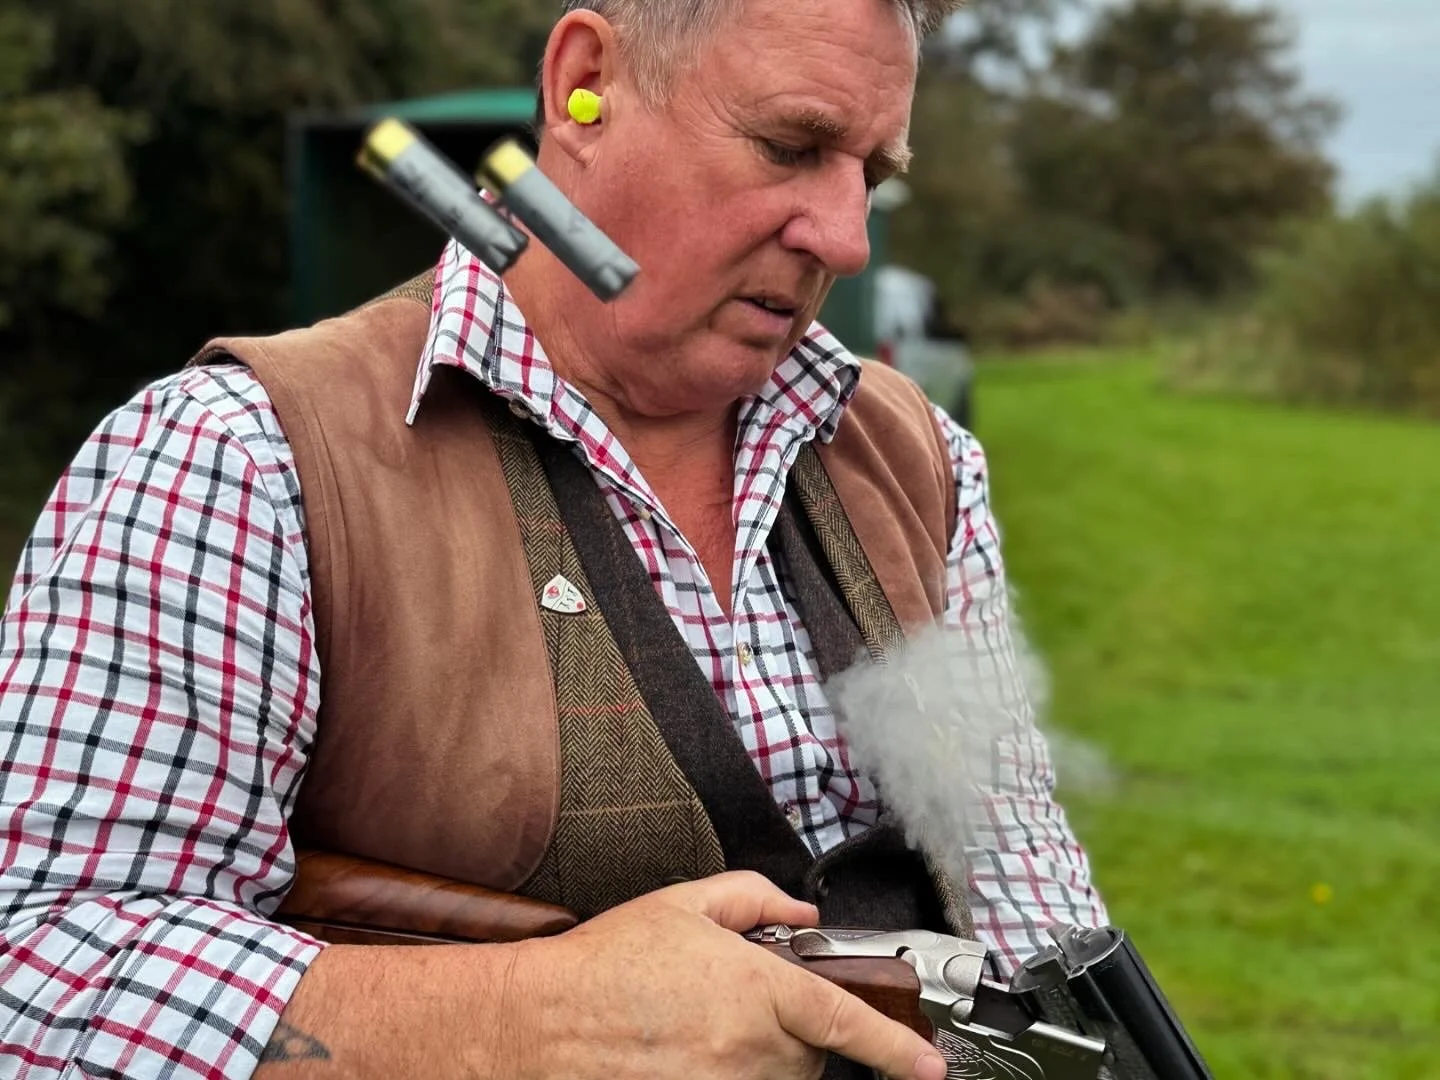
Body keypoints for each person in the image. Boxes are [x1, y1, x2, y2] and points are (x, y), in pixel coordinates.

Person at [0, 0, 1109, 1077]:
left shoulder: (918, 457)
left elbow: (1025, 895)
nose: (846, 237)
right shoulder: (242, 456)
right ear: (586, 84)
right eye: (792, 144)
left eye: (869, 171)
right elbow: (41, 973)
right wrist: (529, 1021)